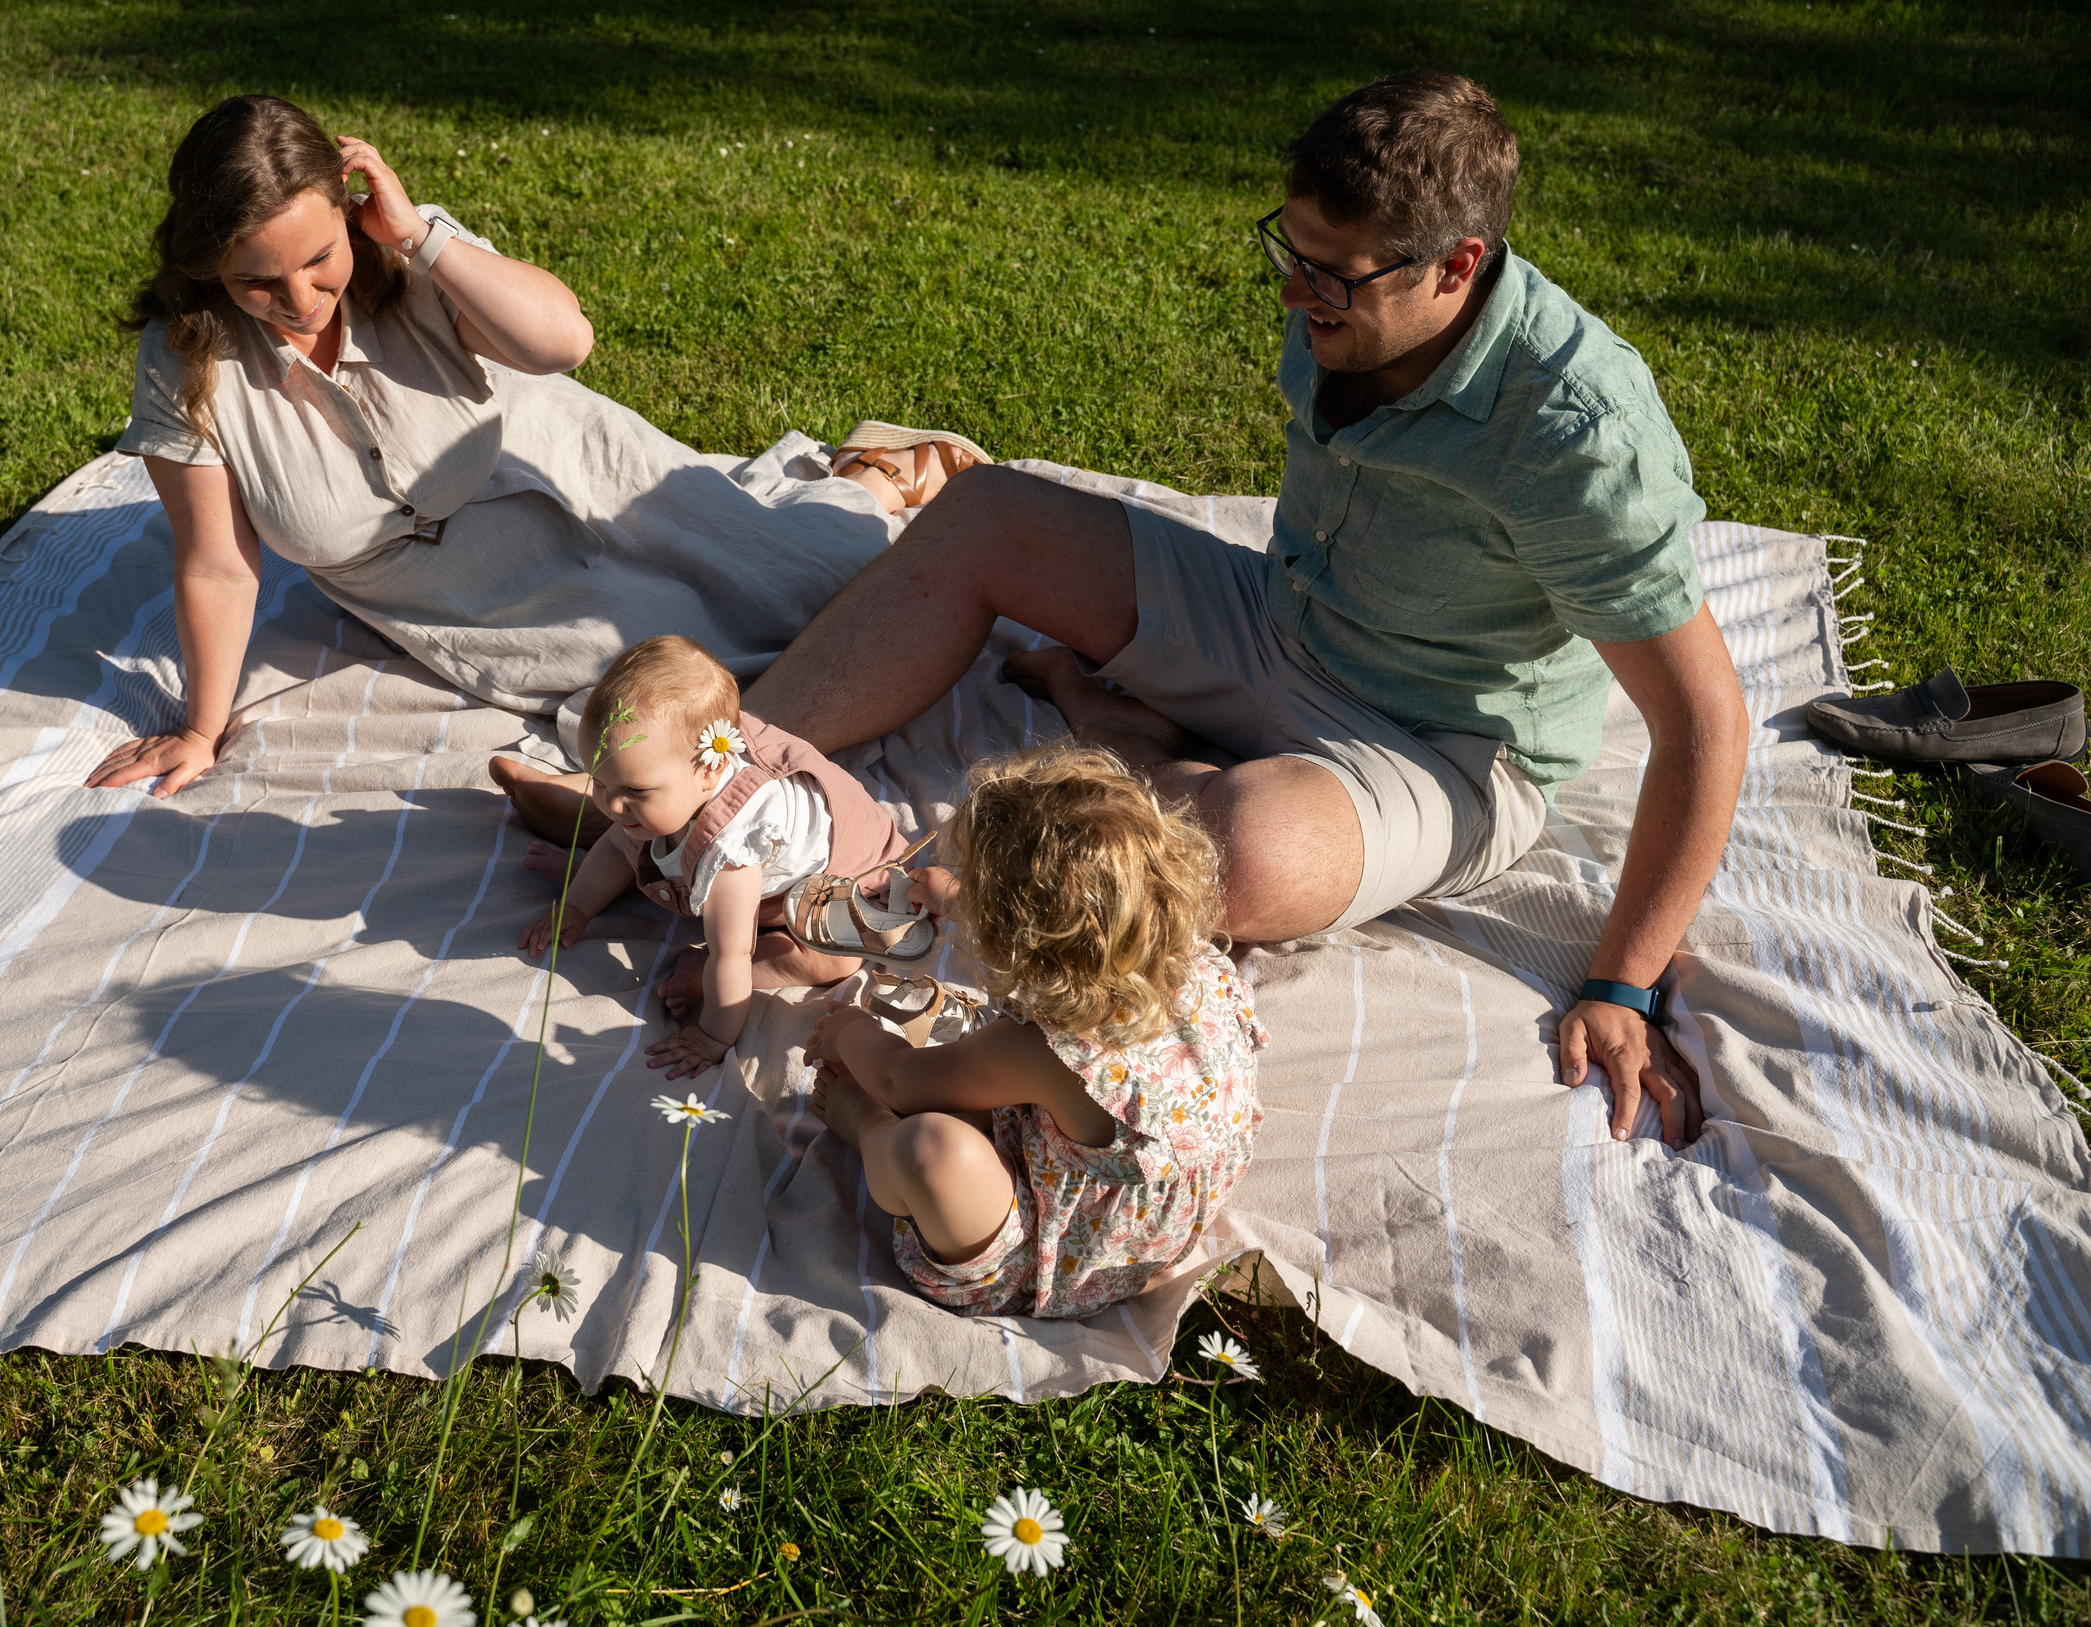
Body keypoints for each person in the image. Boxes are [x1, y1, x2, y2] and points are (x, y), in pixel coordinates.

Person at [760, 72, 1746, 1149]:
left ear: (1456, 266)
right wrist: (693, 781)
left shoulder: (1578, 431)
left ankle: (1096, 754)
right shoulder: (1344, 311)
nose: (1292, 294)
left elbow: (1702, 722)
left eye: (1331, 275)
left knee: (1247, 856)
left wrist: (1622, 983)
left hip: (1439, 742)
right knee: (986, 513)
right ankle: (731, 771)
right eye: (1290, 251)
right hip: (1277, 614)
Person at [85, 93, 914, 800]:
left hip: (571, 460)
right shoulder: (185, 358)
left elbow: (565, 342)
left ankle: (874, 475)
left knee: (833, 576)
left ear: (349, 209)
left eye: (319, 259)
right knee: (664, 690)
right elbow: (219, 565)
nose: (300, 299)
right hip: (471, 594)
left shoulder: (409, 250)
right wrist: (201, 730)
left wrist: (419, 236)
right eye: (257, 282)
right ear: (209, 269)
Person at [805, 744, 1270, 1319]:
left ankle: (865, 1129)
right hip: (1149, 1228)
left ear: (1014, 939)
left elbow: (898, 1079)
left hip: (1057, 1260)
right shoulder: (1194, 962)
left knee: (933, 1152)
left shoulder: (1051, 1053)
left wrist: (848, 1030)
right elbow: (1084, 917)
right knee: (974, 1088)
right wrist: (956, 897)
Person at [518, 636, 916, 1078]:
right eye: (599, 782)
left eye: (634, 790)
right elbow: (617, 844)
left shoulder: (733, 848)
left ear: (710, 769)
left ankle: (695, 970)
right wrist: (575, 907)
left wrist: (711, 1037)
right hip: (745, 856)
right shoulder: (678, 760)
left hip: (847, 883)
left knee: (835, 961)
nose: (611, 804)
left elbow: (732, 954)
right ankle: (603, 882)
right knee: (636, 837)